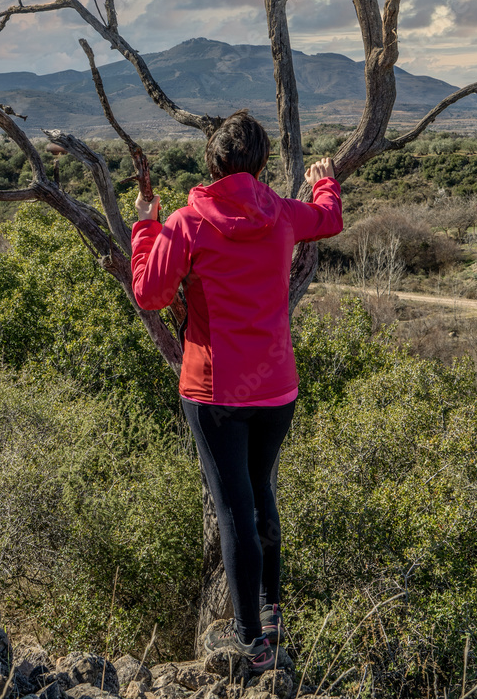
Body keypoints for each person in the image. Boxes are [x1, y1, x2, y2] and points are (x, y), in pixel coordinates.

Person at [131, 110, 343, 671]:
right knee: (262, 495)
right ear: (262, 163)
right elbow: (328, 217)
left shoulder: (188, 221)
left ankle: (252, 643)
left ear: (213, 161)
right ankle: (270, 614)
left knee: (234, 510)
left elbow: (150, 293)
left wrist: (144, 226)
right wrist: (324, 178)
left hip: (214, 390)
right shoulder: (281, 214)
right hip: (276, 389)